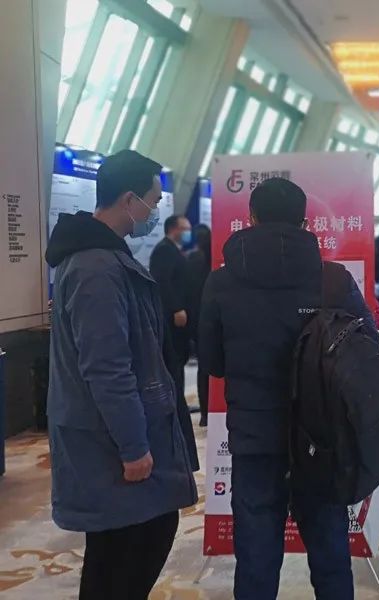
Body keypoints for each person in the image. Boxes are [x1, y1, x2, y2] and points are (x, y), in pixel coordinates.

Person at [198, 178, 378, 600]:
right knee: (330, 552)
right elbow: (367, 352)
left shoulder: (220, 283)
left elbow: (213, 364)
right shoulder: (332, 280)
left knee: (256, 556)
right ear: (305, 222)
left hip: (254, 438)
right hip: (322, 437)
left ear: (251, 218)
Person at [45, 150, 198, 600]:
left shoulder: (100, 259)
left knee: (123, 548)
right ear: (130, 199)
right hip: (110, 442)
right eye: (153, 201)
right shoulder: (96, 269)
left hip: (113, 433)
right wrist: (133, 447)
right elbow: (107, 367)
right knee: (129, 548)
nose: (155, 211)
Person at [150, 214, 199, 469]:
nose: (188, 232)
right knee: (174, 365)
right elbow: (163, 283)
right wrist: (177, 307)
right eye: (185, 228)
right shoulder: (164, 251)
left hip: (180, 322)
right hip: (172, 321)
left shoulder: (174, 250)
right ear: (173, 229)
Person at [186, 223, 212, 426]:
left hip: (196, 318)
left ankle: (205, 414)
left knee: (203, 367)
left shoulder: (192, 259)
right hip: (211, 317)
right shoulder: (212, 261)